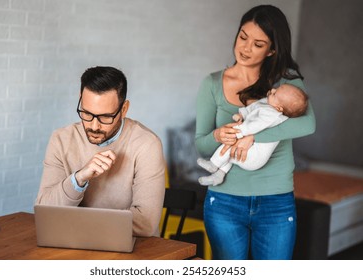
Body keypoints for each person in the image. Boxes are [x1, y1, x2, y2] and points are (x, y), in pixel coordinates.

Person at [195, 5, 316, 260]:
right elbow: (202, 145)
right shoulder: (212, 84)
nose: (245, 48)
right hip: (225, 201)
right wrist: (218, 136)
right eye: (242, 36)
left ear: (272, 49)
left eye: (258, 44)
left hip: (275, 201)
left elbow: (307, 125)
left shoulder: (286, 84)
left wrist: (253, 136)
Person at [35, 66, 166, 237]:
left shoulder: (147, 144)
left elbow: (145, 223)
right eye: (87, 113)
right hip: (75, 244)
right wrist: (79, 178)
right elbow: (44, 210)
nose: (94, 126)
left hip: (135, 249)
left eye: (105, 117)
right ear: (80, 100)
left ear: (124, 109)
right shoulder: (61, 139)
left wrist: (73, 220)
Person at [197, 84, 308, 186]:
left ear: (279, 108)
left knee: (230, 145)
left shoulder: (273, 115)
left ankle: (213, 164)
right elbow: (255, 107)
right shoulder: (269, 104)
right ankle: (218, 176)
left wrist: (239, 130)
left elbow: (255, 126)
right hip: (251, 152)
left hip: (255, 157)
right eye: (275, 89)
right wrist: (242, 114)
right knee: (230, 154)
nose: (272, 90)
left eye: (275, 94)